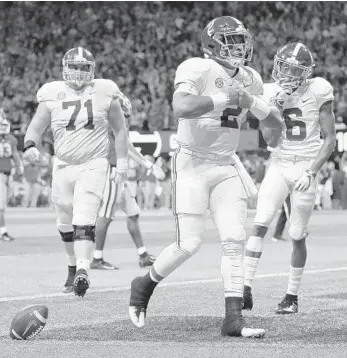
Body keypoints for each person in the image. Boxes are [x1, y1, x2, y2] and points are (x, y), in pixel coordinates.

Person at [128, 16, 283, 338]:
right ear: (212, 45)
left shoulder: (252, 79)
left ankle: (233, 318)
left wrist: (255, 104)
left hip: (225, 165)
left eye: (242, 41)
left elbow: (274, 132)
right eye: (231, 42)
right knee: (189, 244)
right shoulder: (197, 67)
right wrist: (226, 98)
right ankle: (144, 285)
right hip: (191, 163)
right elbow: (180, 107)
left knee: (234, 239)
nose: (239, 48)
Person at [23, 47, 129, 297]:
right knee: (64, 217)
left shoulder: (105, 90)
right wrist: (29, 145)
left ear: (92, 70)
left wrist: (122, 162)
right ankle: (72, 266)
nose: (80, 73)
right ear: (64, 67)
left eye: (85, 68)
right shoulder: (52, 92)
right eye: (75, 67)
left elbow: (120, 129)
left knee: (84, 215)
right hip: (63, 164)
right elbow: (35, 127)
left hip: (94, 163)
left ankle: (83, 269)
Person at [243, 42, 336, 314]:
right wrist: (274, 110)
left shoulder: (319, 90)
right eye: (283, 66)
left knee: (296, 233)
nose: (285, 73)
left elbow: (329, 140)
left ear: (306, 73)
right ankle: (245, 289)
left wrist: (312, 171)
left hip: (306, 164)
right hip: (280, 163)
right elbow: (270, 140)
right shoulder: (269, 91)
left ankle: (291, 297)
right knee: (260, 222)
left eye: (293, 69)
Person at [89, 94, 165, 273]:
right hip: (113, 170)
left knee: (133, 213)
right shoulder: (110, 122)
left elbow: (127, 147)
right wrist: (149, 166)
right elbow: (127, 149)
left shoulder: (114, 122)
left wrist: (150, 166)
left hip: (119, 172)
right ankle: (97, 258)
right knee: (106, 216)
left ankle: (143, 254)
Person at [0, 115, 23, 241]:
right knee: (0, 206)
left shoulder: (11, 139)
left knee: (3, 205)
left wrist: (19, 166)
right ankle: (3, 232)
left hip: (8, 175)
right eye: (1, 125)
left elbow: (14, 154)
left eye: (5, 126)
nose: (3, 128)